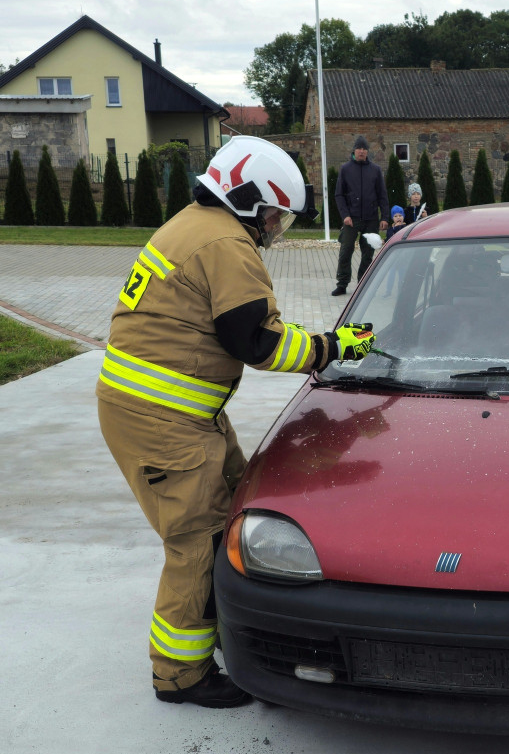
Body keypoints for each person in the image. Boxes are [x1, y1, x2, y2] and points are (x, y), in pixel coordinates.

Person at [96, 136, 376, 708]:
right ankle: (180, 675)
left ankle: (218, 630)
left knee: (233, 506)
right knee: (196, 541)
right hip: (165, 420)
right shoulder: (227, 244)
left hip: (169, 411)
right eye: (275, 214)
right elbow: (258, 343)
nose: (276, 227)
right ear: (250, 200)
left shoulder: (192, 223)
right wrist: (332, 347)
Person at [333, 135, 389, 296]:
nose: (362, 151)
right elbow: (339, 195)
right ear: (354, 150)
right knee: (346, 250)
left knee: (368, 253)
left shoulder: (375, 170)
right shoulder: (345, 169)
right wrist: (345, 215)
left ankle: (362, 284)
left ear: (367, 152)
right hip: (352, 218)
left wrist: (385, 217)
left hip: (371, 218)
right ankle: (342, 283)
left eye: (365, 149)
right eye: (359, 148)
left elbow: (382, 195)